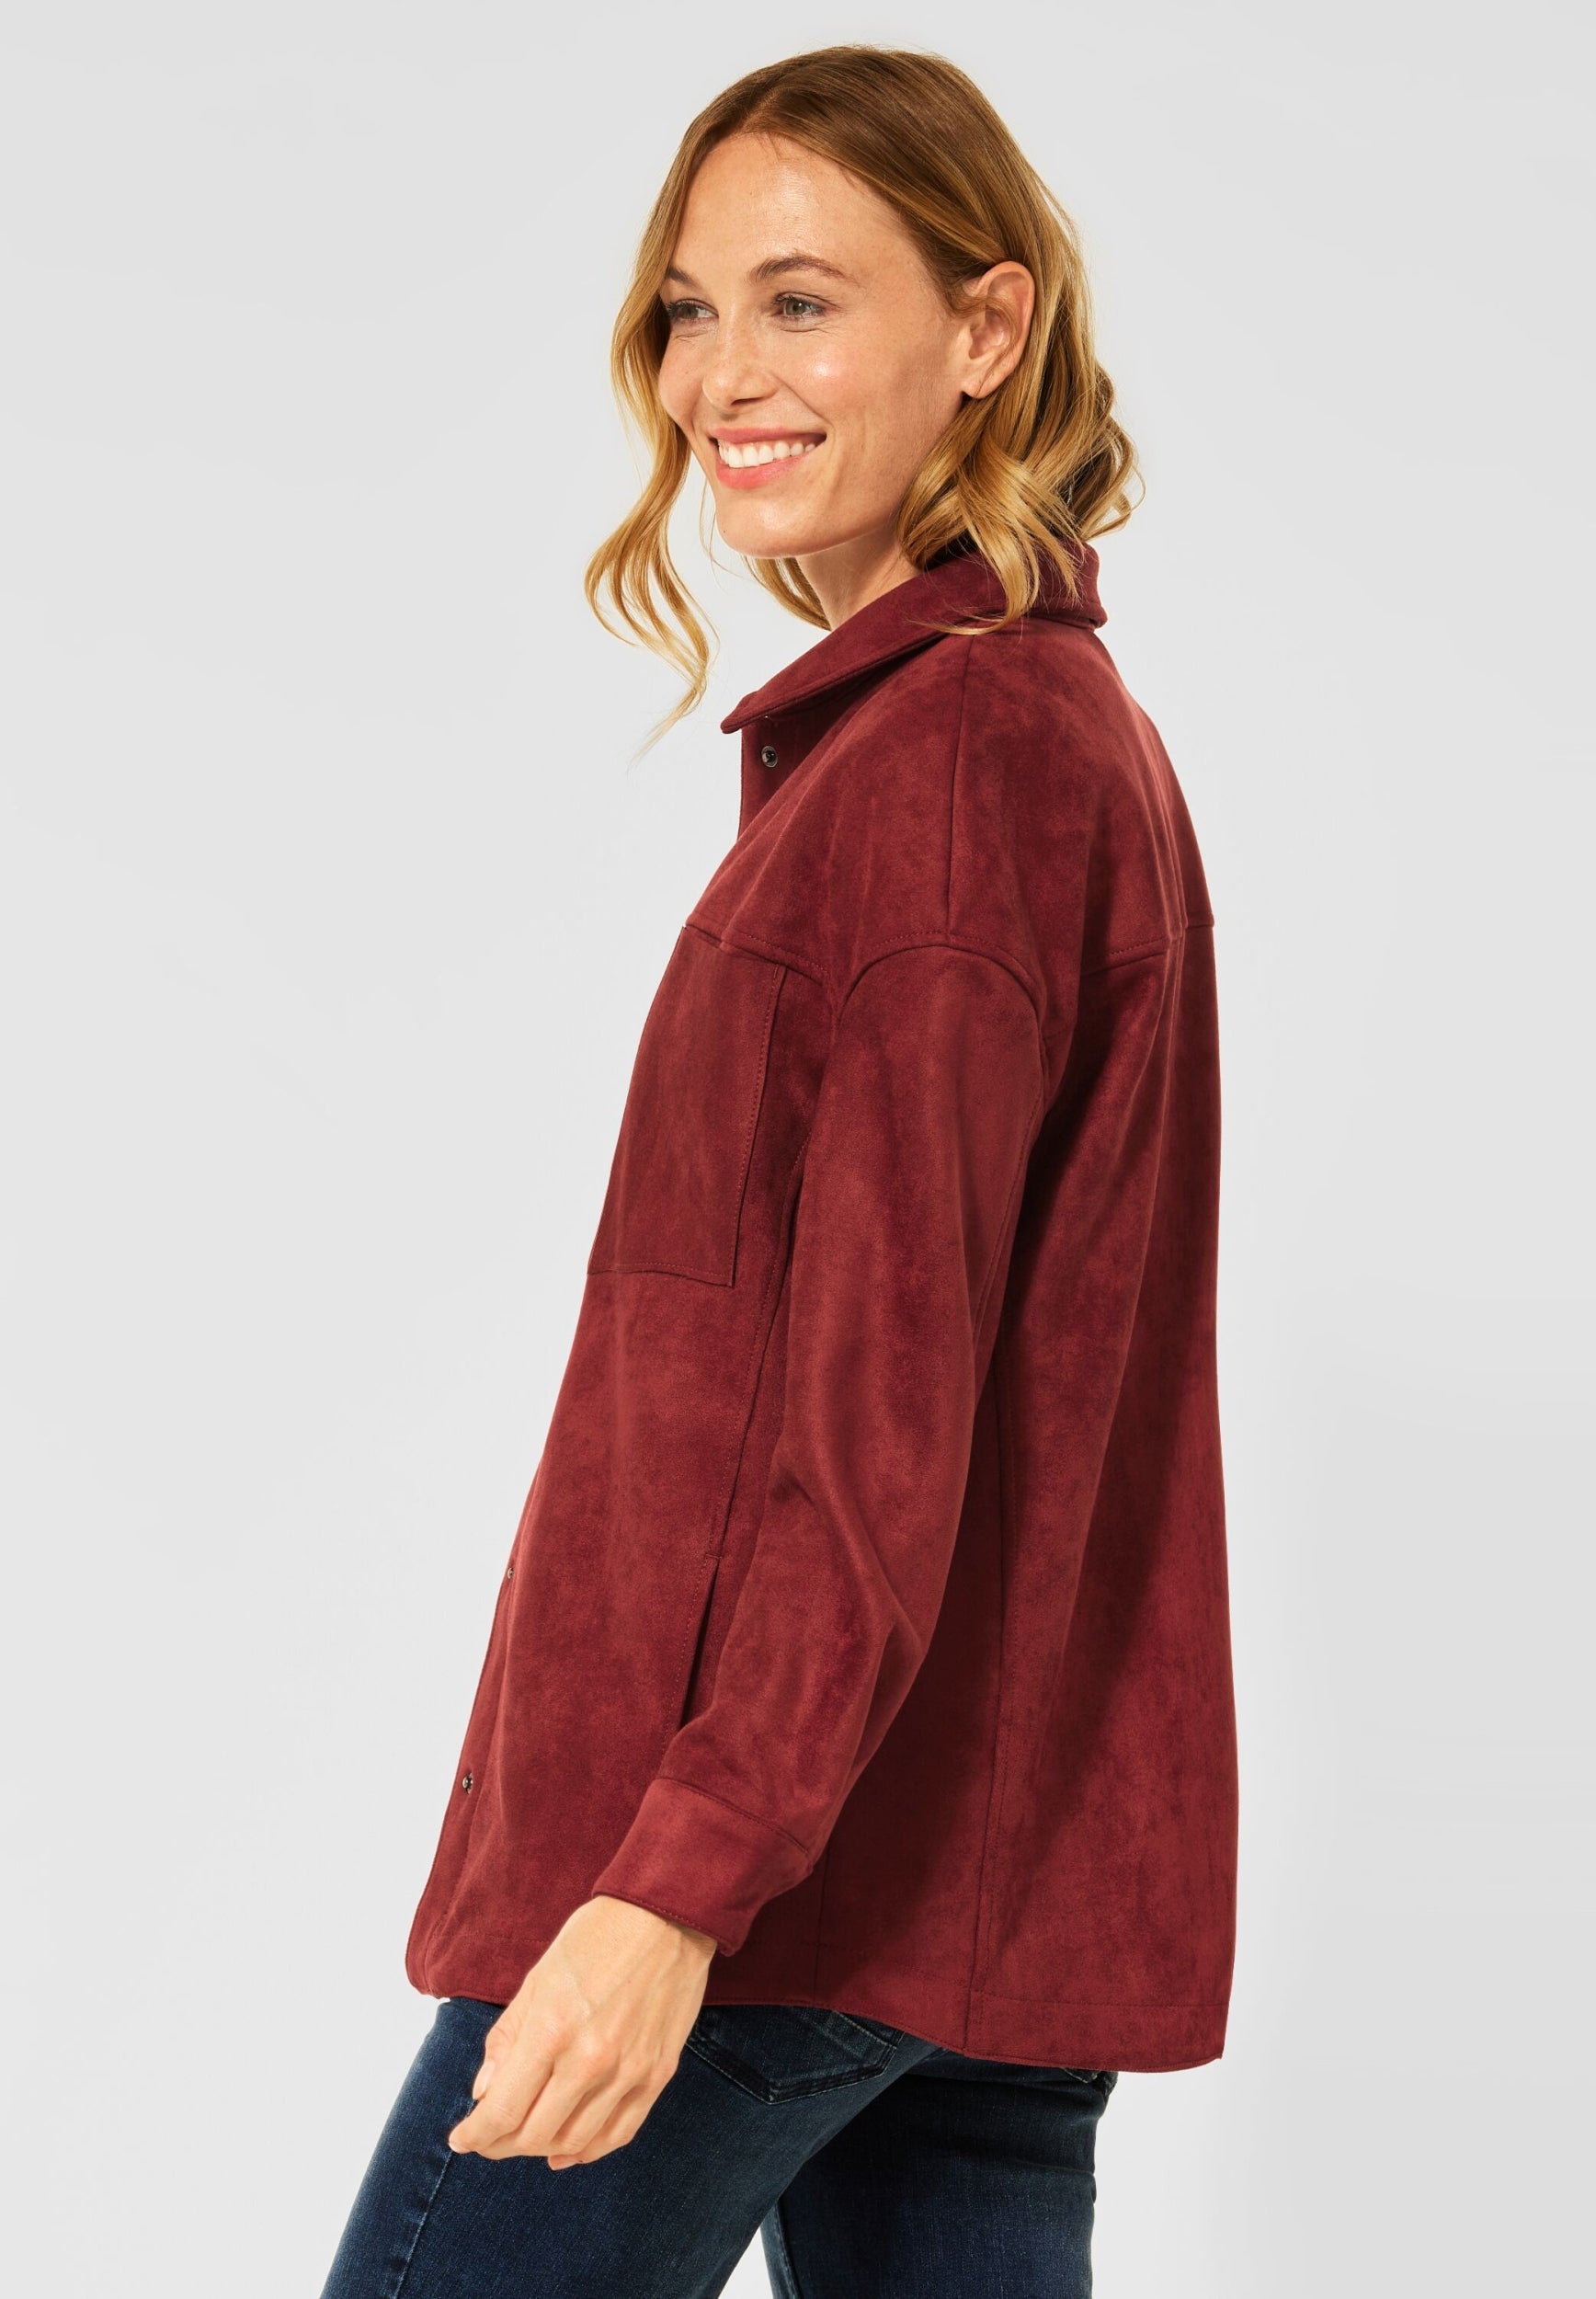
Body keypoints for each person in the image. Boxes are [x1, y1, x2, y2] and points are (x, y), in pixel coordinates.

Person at [319, 41, 1237, 2299]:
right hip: (962, 1886)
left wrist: (674, 1879)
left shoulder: (949, 769)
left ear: (988, 327)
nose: (721, 374)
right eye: (686, 309)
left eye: (801, 302)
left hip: (757, 1888)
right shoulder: (1042, 733)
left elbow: (875, 1413)